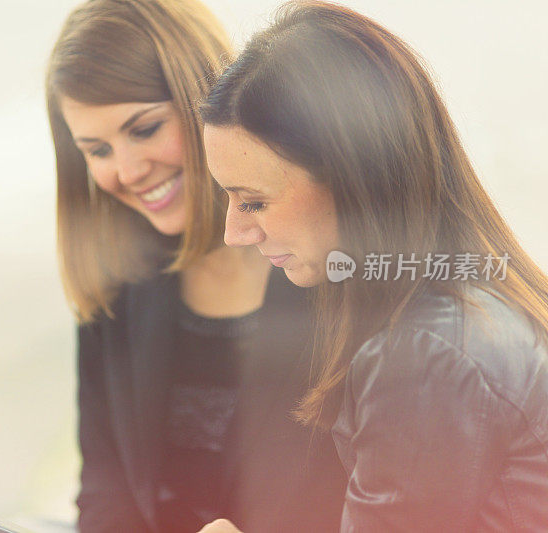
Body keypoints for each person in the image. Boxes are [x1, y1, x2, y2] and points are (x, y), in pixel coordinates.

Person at [0, 1, 346, 533]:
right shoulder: (116, 293)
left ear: (207, 101)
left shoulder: (337, 276)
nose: (128, 171)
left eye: (144, 129)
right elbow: (106, 499)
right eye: (97, 149)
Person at [196, 1, 548, 531]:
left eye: (253, 201)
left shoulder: (425, 352)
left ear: (351, 178)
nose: (235, 233)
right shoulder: (467, 301)